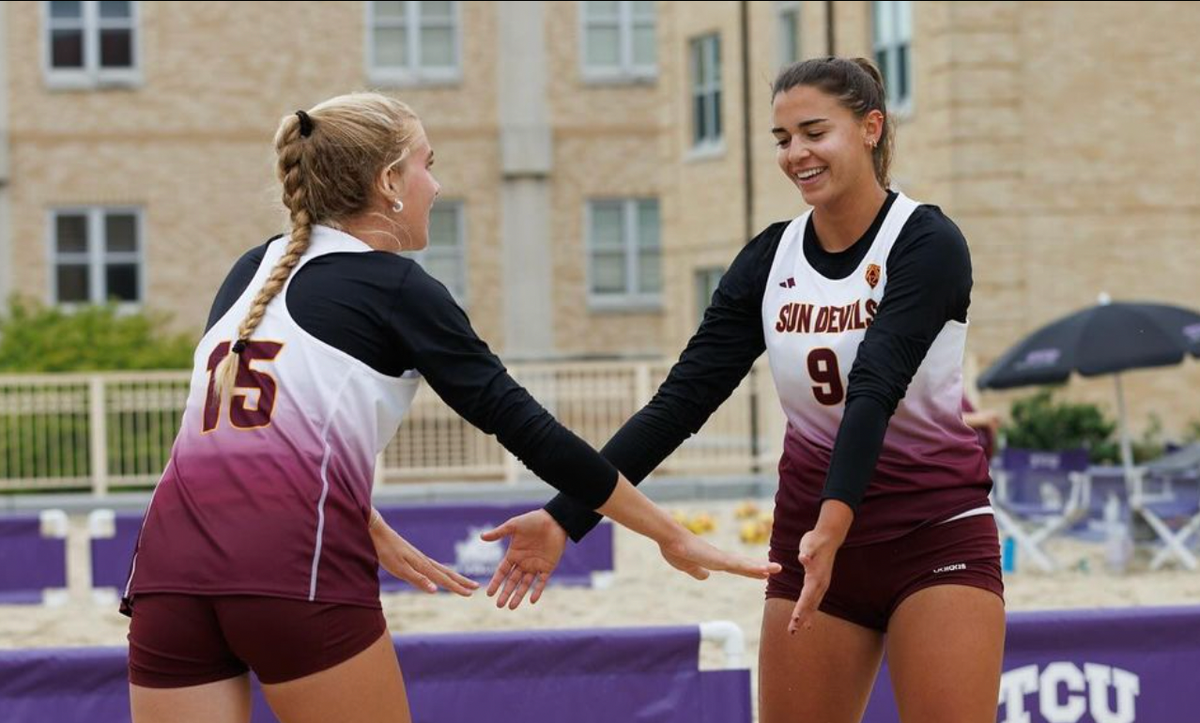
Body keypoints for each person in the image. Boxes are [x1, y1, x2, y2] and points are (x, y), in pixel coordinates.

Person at [122, 92, 778, 723]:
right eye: (426, 164)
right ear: (388, 182)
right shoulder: (395, 286)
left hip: (167, 569)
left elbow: (242, 430)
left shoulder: (252, 268)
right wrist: (669, 532)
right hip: (290, 564)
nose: (435, 185)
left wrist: (367, 522)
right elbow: (532, 432)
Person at [485, 58, 1005, 723]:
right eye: (782, 138)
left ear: (871, 127)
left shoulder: (927, 242)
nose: (796, 153)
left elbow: (875, 380)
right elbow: (680, 403)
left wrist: (836, 518)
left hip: (931, 534)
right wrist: (567, 514)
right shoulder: (771, 259)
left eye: (814, 132)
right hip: (810, 543)